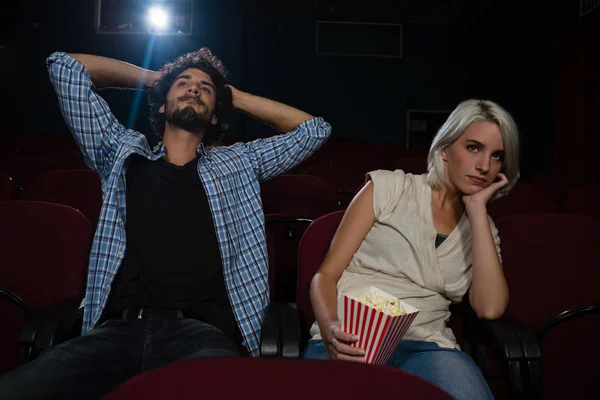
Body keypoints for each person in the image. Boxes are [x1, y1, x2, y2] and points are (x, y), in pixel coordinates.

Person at [0, 48, 331, 399]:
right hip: (114, 333)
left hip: (201, 336)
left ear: (217, 116)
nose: (193, 88)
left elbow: (313, 130)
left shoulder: (238, 163)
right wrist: (157, 79)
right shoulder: (121, 152)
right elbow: (65, 68)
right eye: (183, 84)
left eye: (205, 88)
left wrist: (231, 95)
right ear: (161, 104)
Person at [305, 99, 519, 400]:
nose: (485, 166)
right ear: (445, 149)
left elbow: (490, 308)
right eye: (473, 147)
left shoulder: (483, 229)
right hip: (351, 335)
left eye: (497, 156)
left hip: (427, 345)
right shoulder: (389, 187)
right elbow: (324, 275)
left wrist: (476, 209)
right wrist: (329, 330)